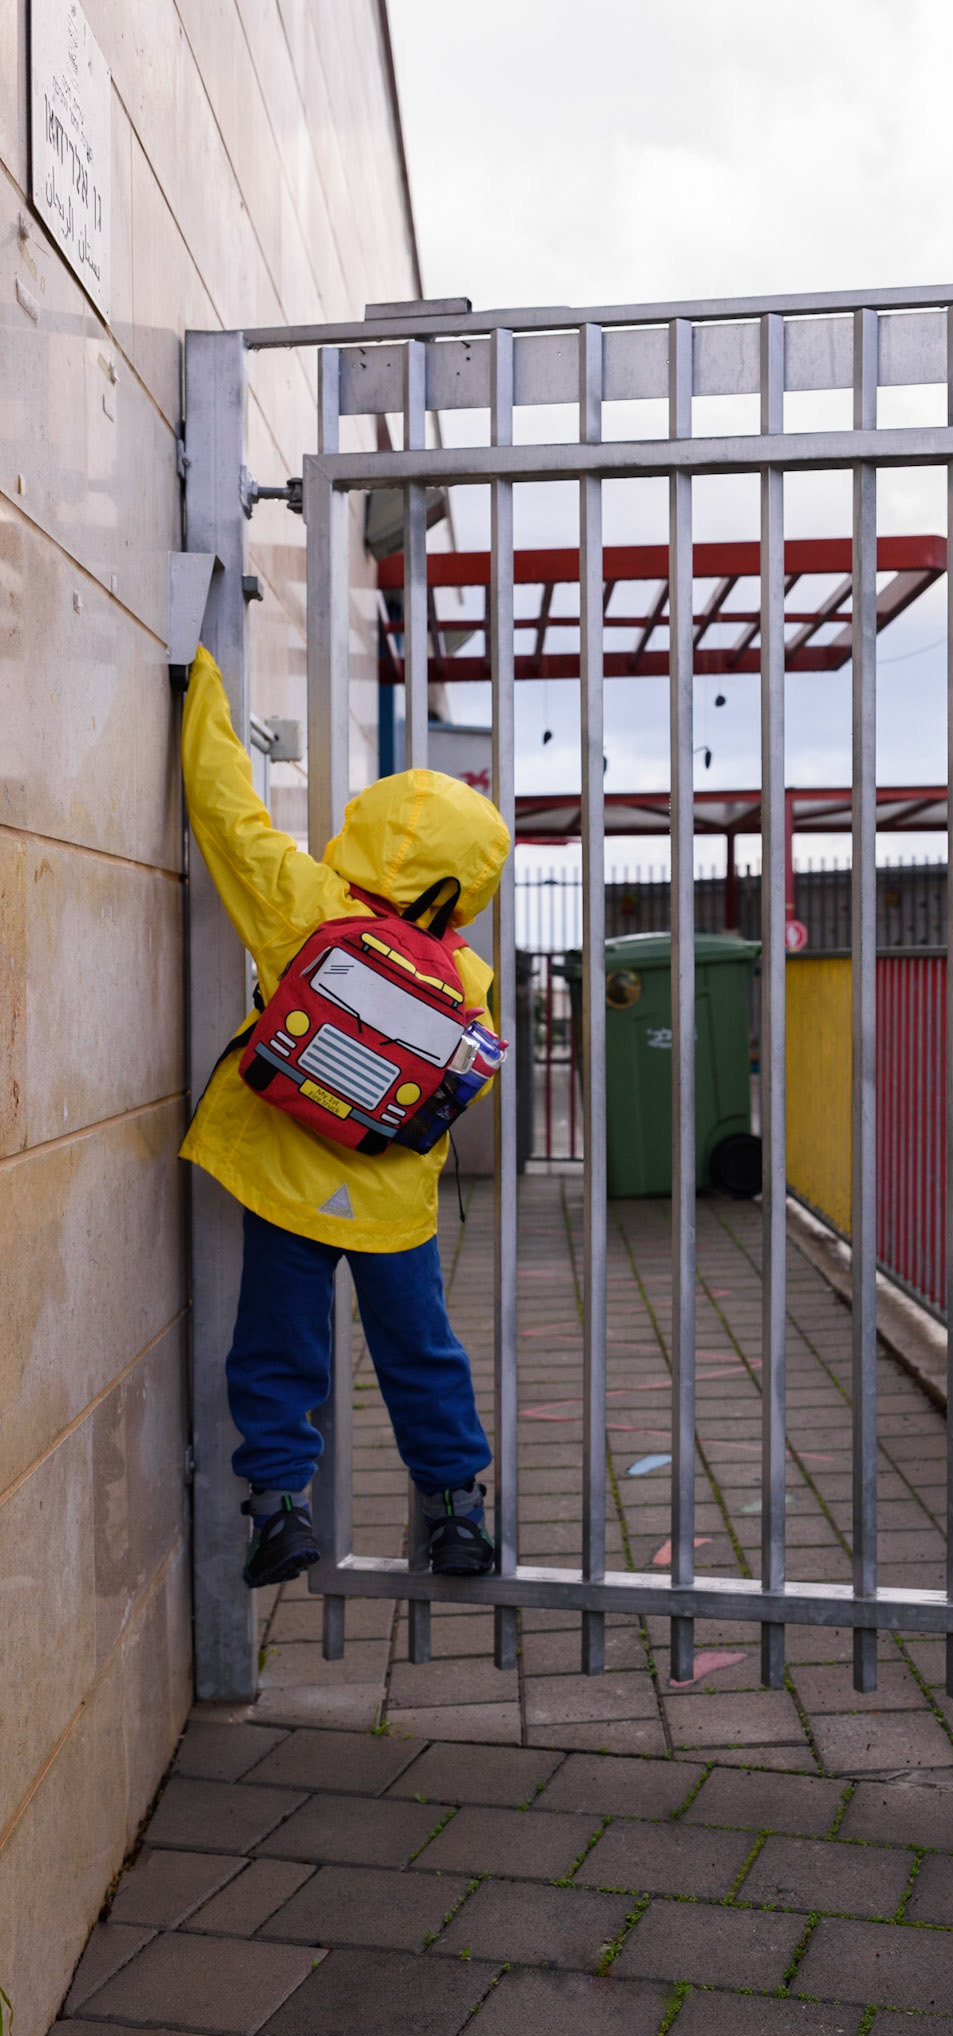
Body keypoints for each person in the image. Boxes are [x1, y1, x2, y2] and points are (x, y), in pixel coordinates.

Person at [179, 644, 510, 1588]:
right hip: (391, 1206)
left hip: (286, 1182)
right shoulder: (467, 977)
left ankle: (279, 1509)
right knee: (421, 1352)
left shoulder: (307, 907)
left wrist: (204, 680)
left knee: (277, 1343)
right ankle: (455, 1513)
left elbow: (226, 814)